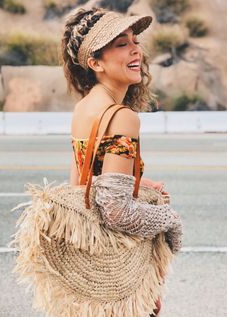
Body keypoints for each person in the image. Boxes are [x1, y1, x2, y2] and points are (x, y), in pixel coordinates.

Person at [60, 7, 182, 317]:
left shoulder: (84, 108)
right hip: (119, 271)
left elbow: (81, 186)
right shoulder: (122, 118)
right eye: (121, 43)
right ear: (95, 63)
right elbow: (116, 212)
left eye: (134, 40)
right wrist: (169, 220)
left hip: (93, 269)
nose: (135, 49)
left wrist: (135, 185)